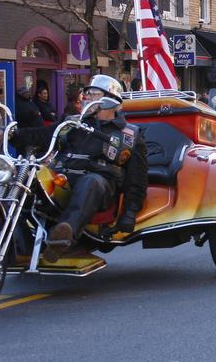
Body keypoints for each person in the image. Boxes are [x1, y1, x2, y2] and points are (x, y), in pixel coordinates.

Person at [13, 75, 148, 262]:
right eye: (87, 93)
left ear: (109, 100)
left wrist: (130, 213)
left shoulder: (130, 135)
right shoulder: (72, 123)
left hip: (100, 186)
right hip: (63, 179)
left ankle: (63, 237)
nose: (86, 97)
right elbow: (41, 135)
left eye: (93, 93)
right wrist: (14, 134)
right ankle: (20, 245)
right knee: (25, 176)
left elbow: (137, 178)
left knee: (91, 181)